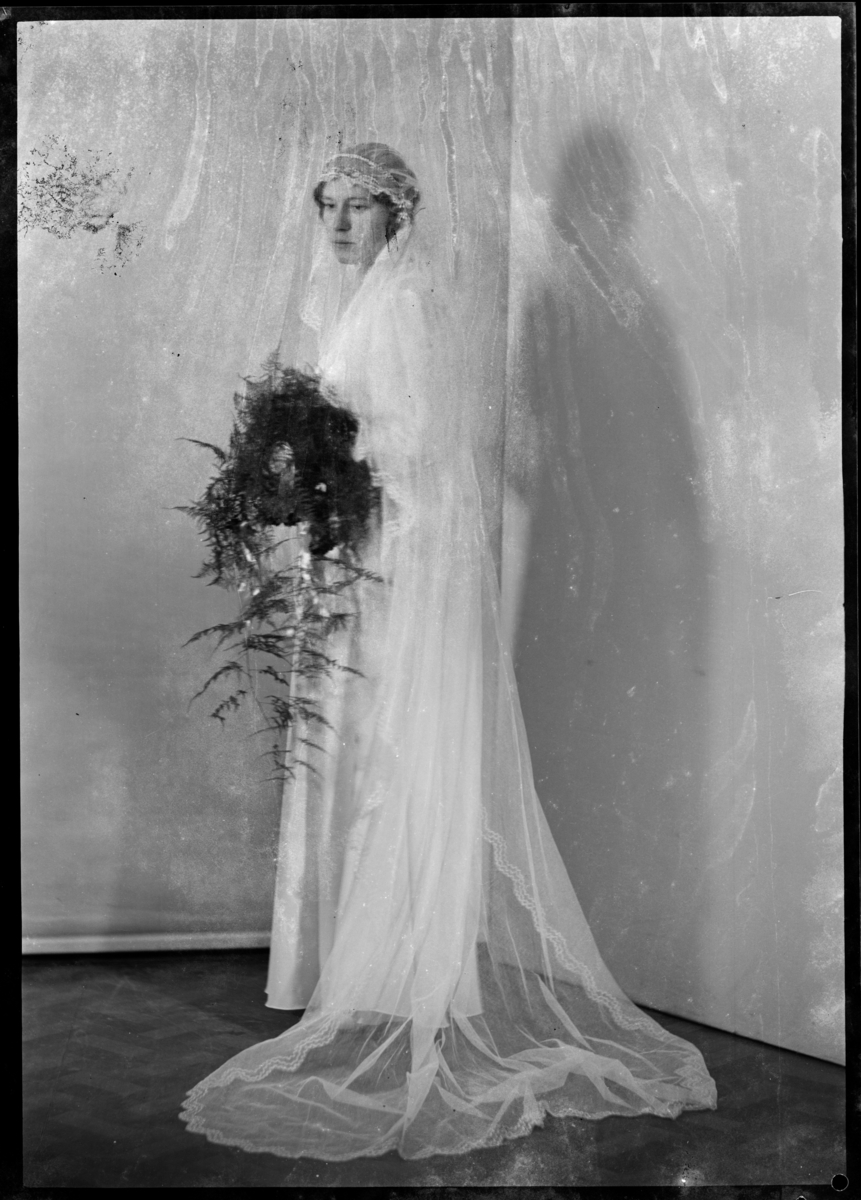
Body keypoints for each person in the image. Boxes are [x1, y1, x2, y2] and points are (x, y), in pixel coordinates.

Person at [180, 143, 717, 1161]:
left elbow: (420, 443)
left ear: (400, 215)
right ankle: (352, 965)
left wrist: (332, 476)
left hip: (407, 552)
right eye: (330, 206)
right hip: (364, 546)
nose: (342, 225)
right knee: (352, 736)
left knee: (396, 738)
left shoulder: (412, 301)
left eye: (361, 207)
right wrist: (304, 483)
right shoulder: (358, 304)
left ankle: (408, 964)